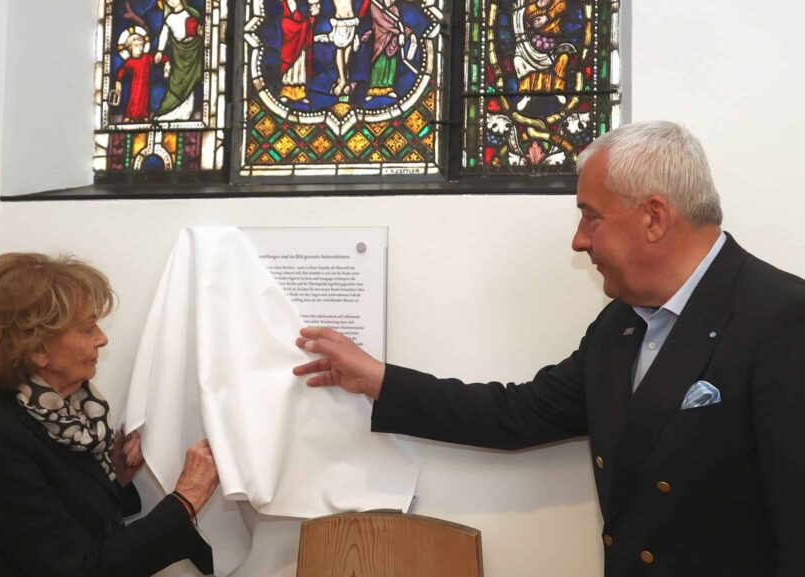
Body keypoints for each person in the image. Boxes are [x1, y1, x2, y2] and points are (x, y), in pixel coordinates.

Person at [294, 121, 805, 576]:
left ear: (654, 217)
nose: (579, 242)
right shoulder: (621, 326)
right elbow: (517, 414)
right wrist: (379, 380)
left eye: (591, 217)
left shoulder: (782, 318)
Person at [0, 253, 220, 577]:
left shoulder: (64, 412)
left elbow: (69, 513)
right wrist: (186, 499)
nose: (103, 338)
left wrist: (116, 475)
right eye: (88, 329)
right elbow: (83, 569)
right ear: (37, 349)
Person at [154, 0, 204, 121]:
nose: (172, 2)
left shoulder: (193, 13)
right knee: (176, 83)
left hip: (194, 51)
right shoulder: (169, 19)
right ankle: (167, 113)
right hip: (178, 55)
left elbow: (202, 31)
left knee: (190, 85)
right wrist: (160, 51)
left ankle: (185, 113)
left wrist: (201, 33)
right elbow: (164, 34)